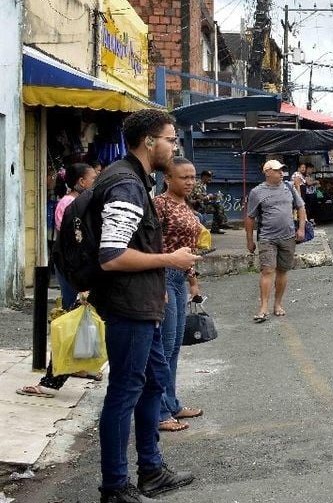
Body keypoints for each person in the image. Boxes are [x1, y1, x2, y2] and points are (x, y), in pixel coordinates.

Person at [92, 109, 199, 502]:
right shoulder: (126, 184)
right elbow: (112, 256)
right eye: (170, 139)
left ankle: (151, 470)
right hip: (129, 305)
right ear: (149, 142)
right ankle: (115, 487)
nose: (174, 146)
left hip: (145, 300)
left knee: (154, 381)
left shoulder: (136, 179)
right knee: (125, 392)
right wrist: (170, 261)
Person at [16, 163, 100, 398]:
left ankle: (74, 368)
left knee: (83, 320)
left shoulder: (83, 203)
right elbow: (74, 242)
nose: (95, 182)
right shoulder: (69, 204)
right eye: (93, 178)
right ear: (81, 182)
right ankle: (54, 378)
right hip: (75, 272)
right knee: (73, 320)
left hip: (82, 272)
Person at [152, 157, 205, 433]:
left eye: (192, 177)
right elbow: (151, 245)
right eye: (184, 177)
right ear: (168, 179)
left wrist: (193, 281)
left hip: (180, 279)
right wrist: (157, 284)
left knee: (174, 347)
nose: (190, 182)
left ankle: (171, 404)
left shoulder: (186, 205)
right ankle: (160, 412)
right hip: (162, 276)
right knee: (164, 347)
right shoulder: (159, 204)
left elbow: (189, 247)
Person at [245, 159, 307, 322]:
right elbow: (250, 217)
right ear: (267, 172)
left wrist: (301, 228)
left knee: (282, 271)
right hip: (267, 238)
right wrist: (249, 240)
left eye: (282, 170)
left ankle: (278, 304)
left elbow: (300, 207)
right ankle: (263, 307)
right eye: (277, 170)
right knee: (267, 270)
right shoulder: (257, 192)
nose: (281, 173)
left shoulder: (288, 187)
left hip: (288, 236)